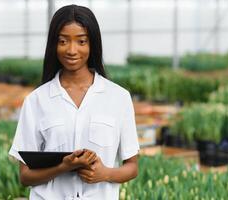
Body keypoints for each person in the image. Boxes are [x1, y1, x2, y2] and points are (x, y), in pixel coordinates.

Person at [9, 4, 139, 200]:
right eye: (63, 41)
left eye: (81, 41)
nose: (71, 50)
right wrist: (63, 167)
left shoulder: (118, 97)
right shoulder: (36, 101)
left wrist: (105, 174)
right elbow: (26, 176)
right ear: (54, 44)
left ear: (92, 44)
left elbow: (132, 166)